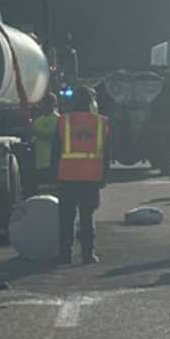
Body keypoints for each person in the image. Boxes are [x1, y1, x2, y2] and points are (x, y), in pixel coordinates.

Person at [53, 86, 109, 265]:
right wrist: (104, 177)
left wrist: (53, 177)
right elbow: (107, 153)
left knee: (66, 219)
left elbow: (55, 152)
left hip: (67, 178)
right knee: (87, 217)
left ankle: (64, 255)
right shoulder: (101, 123)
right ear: (91, 102)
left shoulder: (64, 122)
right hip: (91, 178)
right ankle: (88, 254)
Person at [32, 93, 60, 194]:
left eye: (49, 103)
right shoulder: (38, 121)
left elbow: (49, 135)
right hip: (41, 162)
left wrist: (42, 133)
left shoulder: (59, 120)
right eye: (45, 103)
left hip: (54, 162)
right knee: (43, 190)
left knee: (53, 190)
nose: (46, 105)